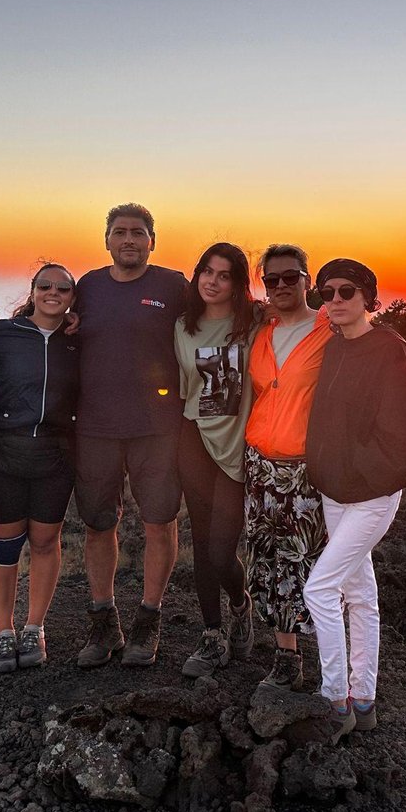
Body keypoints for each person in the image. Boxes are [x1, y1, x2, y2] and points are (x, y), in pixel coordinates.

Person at [304, 258, 406, 741]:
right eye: (325, 292)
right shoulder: (334, 347)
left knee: (319, 589)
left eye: (345, 292)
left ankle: (335, 701)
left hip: (371, 494)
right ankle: (365, 699)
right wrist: (327, 468)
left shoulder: (388, 350)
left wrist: (365, 472)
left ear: (368, 297)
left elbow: (401, 436)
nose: (334, 300)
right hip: (335, 490)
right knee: (359, 593)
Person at [73, 203, 189, 668]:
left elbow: (215, 319)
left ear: (152, 241)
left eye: (137, 233)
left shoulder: (173, 285)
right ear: (106, 239)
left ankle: (149, 618)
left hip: (158, 427)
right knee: (99, 525)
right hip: (96, 426)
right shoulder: (88, 286)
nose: (128, 240)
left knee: (160, 521)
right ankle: (104, 623)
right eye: (119, 232)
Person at [0, 263, 80, 673]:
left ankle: (34, 627)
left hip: (58, 452)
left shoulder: (78, 340)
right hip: (5, 449)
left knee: (44, 540)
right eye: (45, 286)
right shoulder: (2, 334)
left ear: (73, 297)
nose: (53, 293)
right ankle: (3, 631)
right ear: (33, 290)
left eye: (62, 288)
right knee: (5, 543)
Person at [243, 243, 334, 690]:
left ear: (307, 280)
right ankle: (286, 657)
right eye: (271, 280)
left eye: (290, 277)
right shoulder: (262, 329)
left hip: (305, 469)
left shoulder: (330, 326)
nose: (280, 286)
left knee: (307, 564)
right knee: (268, 560)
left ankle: (331, 661)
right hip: (259, 464)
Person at [173, 242, 258, 677]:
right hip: (195, 442)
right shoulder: (183, 327)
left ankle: (242, 606)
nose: (212, 280)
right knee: (203, 544)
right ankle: (212, 635)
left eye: (224, 275)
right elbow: (184, 389)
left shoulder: (255, 323)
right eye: (206, 270)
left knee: (223, 551)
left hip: (239, 447)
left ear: (238, 283)